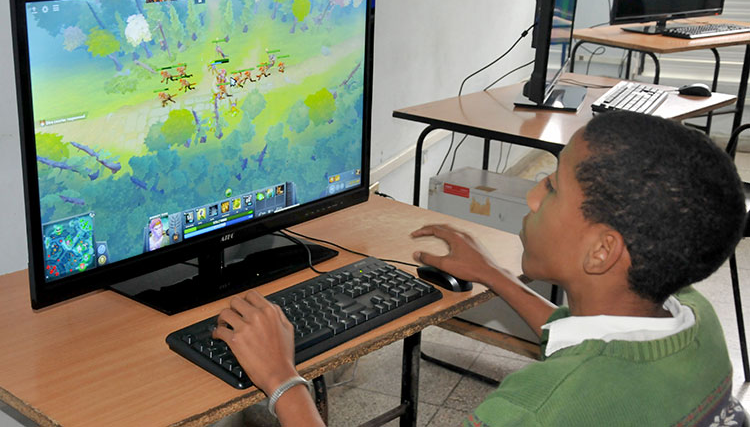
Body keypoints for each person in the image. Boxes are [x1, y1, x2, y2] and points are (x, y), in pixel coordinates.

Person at [211, 111, 746, 426]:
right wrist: (493, 274)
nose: (532, 196)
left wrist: (284, 380)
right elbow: (585, 342)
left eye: (552, 187)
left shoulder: (538, 411)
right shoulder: (692, 318)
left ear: (602, 251)